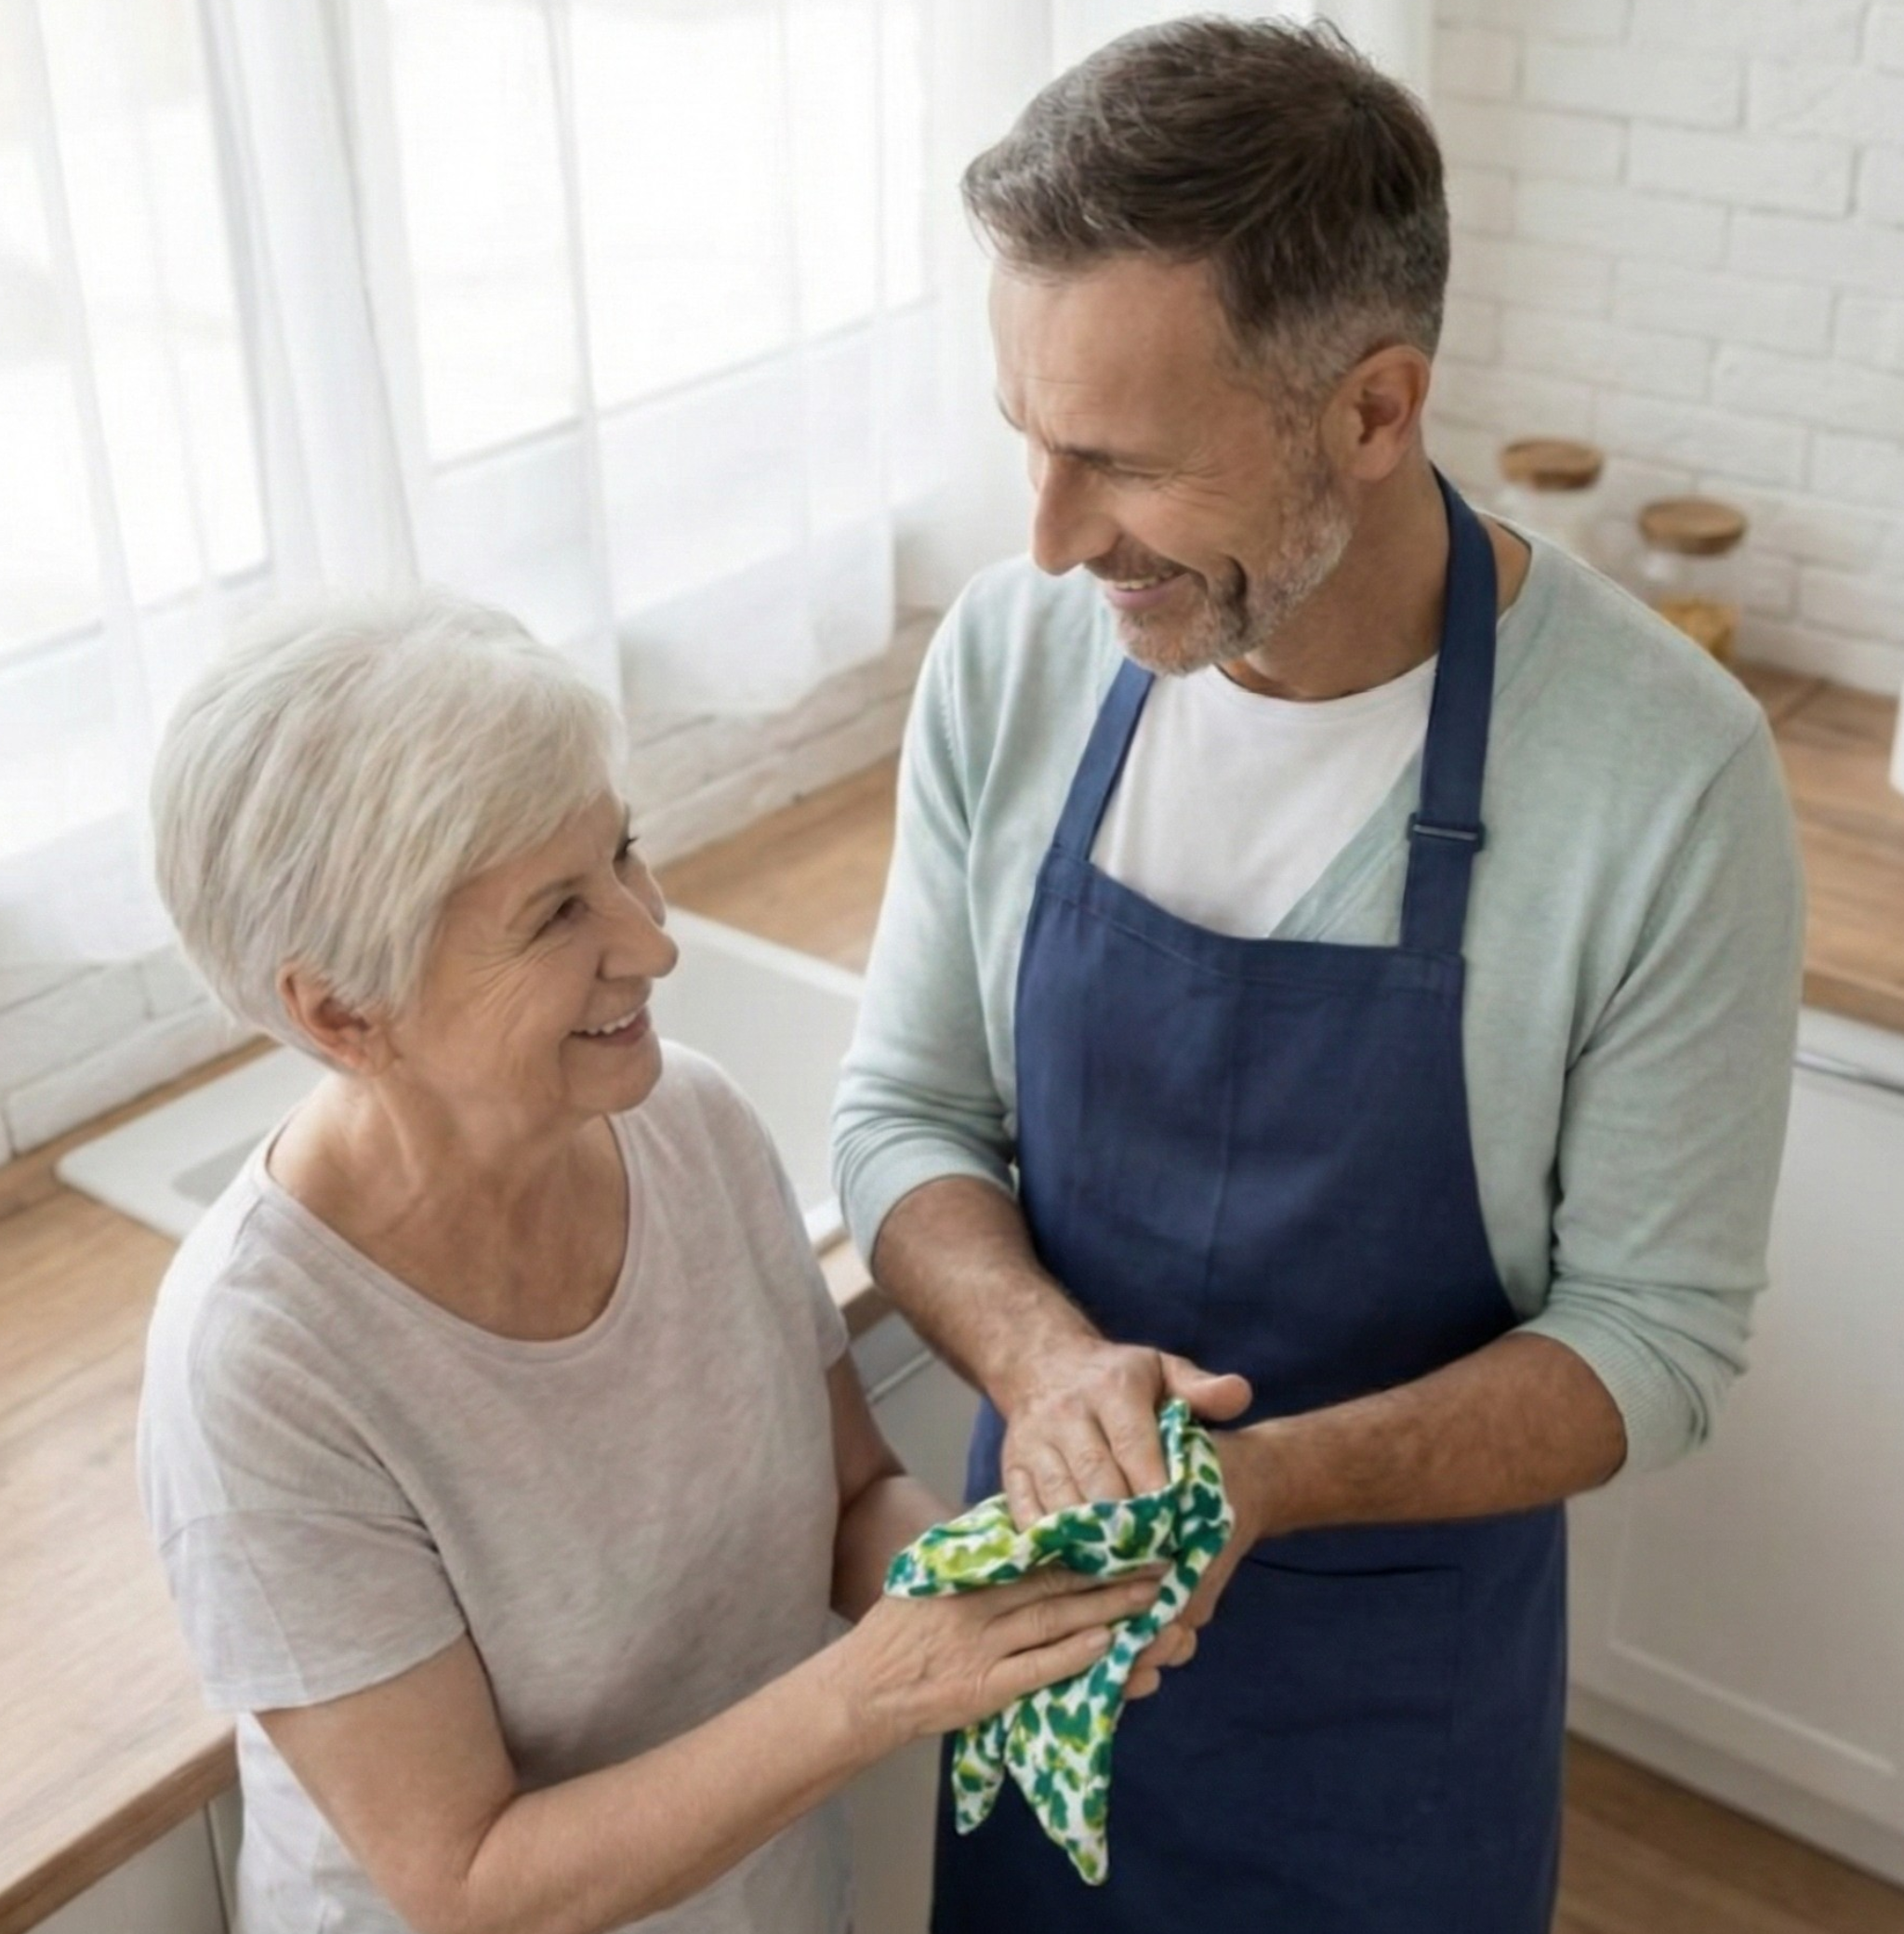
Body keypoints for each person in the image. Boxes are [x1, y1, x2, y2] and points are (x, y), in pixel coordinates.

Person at [831, 19, 1805, 1931]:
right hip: (1039, 1646)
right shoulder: (1012, 664)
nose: (1049, 538)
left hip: (1393, 1726)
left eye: (1121, 462)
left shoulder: (1664, 779)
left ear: (1371, 410)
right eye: (1028, 438)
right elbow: (906, 1111)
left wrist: (1257, 1484)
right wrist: (1047, 1368)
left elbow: (1654, 1341)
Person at [136, 591, 1190, 1934]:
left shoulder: (685, 1120)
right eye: (556, 914)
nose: (653, 940)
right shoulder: (262, 1366)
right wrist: (883, 1684)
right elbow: (470, 1882)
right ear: (343, 1010)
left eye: (623, 852)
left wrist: (1018, 1605)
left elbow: (848, 1495)